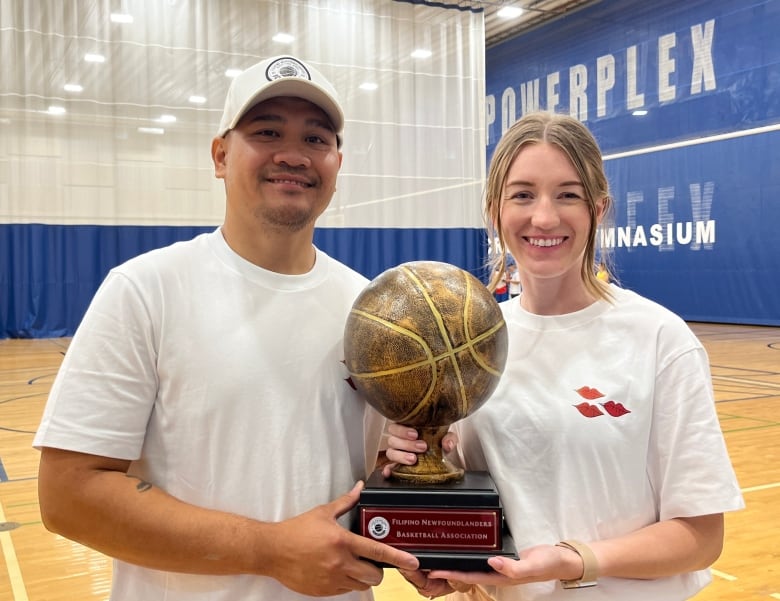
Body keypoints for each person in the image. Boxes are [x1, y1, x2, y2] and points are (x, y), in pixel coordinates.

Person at [33, 55, 419, 601]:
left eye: (315, 138)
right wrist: (269, 549)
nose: (293, 154)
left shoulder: (372, 307)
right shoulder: (145, 289)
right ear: (220, 155)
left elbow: (376, 472)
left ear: (337, 161)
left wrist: (416, 493)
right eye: (267, 132)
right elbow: (68, 498)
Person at [384, 112, 744, 600]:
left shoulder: (660, 338)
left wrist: (573, 561)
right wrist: (420, 479)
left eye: (568, 194)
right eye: (523, 194)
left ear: (599, 208)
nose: (545, 217)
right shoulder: (469, 342)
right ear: (494, 209)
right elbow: (474, 502)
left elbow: (701, 538)